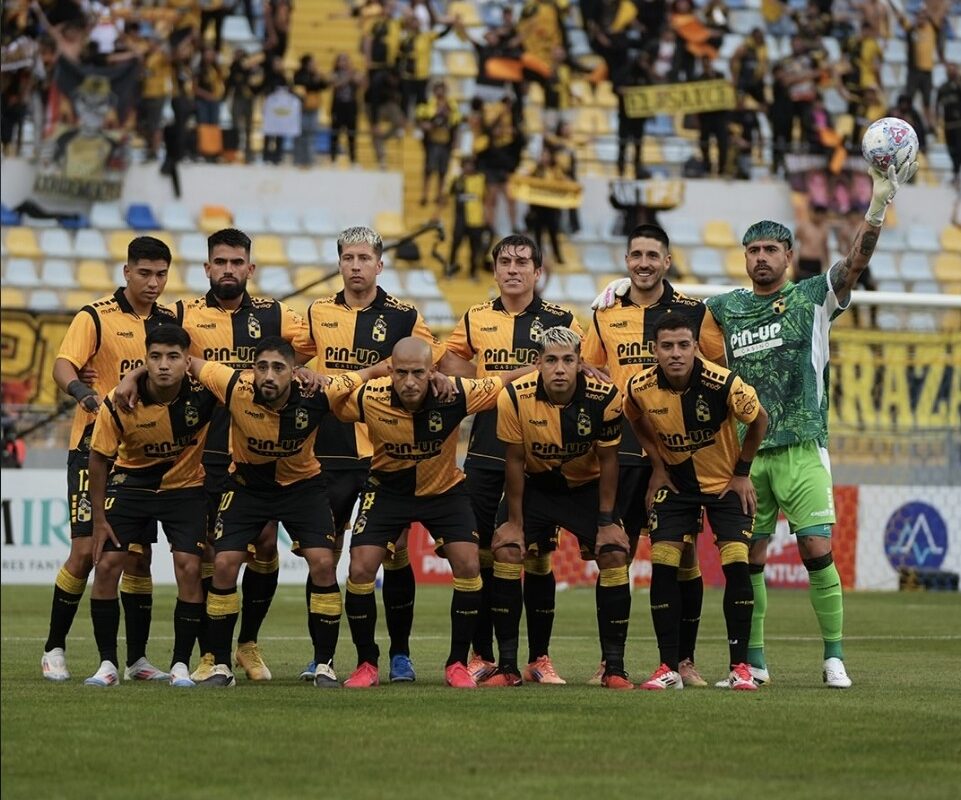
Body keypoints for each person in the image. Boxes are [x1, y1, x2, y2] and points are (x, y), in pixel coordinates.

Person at [592, 158, 917, 687]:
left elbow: (855, 263)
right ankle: (756, 662)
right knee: (751, 559)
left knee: (815, 547)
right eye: (754, 250)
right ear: (744, 257)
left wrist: (878, 205)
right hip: (743, 455)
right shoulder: (725, 308)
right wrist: (622, 291)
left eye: (771, 250)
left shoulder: (812, 297)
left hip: (803, 443)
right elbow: (668, 315)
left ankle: (834, 656)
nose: (762, 258)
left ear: (789, 256)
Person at [115, 227, 312, 683]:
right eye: (220, 263)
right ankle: (210, 652)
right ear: (207, 268)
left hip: (260, 450)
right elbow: (164, 351)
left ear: (250, 268)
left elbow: (311, 352)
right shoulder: (183, 312)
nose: (228, 270)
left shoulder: (278, 314)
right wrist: (135, 374)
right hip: (204, 452)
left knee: (264, 542)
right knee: (210, 550)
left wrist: (305, 375)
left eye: (236, 262)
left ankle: (248, 644)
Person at [291, 226, 447, 683]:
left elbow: (428, 361)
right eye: (348, 258)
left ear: (380, 264)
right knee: (325, 553)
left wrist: (363, 375)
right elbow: (293, 359)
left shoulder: (404, 315)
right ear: (338, 263)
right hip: (331, 453)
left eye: (364, 258)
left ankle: (399, 654)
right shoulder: (318, 312)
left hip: (387, 452)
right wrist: (302, 375)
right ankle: (323, 657)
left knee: (394, 552)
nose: (356, 266)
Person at [333, 338, 533, 688]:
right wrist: (369, 372)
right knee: (360, 568)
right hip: (387, 490)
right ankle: (367, 662)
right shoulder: (372, 395)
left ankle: (456, 662)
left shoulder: (456, 393)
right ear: (391, 371)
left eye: (419, 373)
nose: (410, 382)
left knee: (470, 563)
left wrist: (555, 365)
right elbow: (334, 399)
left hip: (444, 492)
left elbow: (506, 379)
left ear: (433, 372)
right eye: (402, 373)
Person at [581, 223, 725, 687]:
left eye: (652, 255)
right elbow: (588, 365)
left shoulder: (692, 312)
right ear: (627, 261)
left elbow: (717, 368)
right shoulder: (605, 312)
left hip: (677, 450)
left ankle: (684, 661)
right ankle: (612, 662)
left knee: (683, 558)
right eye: (636, 255)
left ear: (667, 261)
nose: (643, 263)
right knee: (613, 554)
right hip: (621, 449)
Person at [179, 337, 364, 687]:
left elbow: (372, 371)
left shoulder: (319, 393)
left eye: (278, 368)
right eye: (261, 366)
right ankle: (219, 664)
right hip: (247, 486)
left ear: (294, 373)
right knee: (223, 562)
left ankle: (324, 664)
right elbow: (184, 361)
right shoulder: (234, 384)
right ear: (252, 370)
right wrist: (132, 376)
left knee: (324, 562)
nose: (268, 374)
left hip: (302, 489)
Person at [440, 234, 584, 684]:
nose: (513, 268)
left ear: (538, 271)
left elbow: (581, 372)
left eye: (523, 261)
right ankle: (482, 655)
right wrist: (489, 382)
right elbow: (446, 360)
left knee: (537, 556)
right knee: (483, 552)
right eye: (505, 261)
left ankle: (539, 658)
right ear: (496, 269)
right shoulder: (476, 317)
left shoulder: (562, 321)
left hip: (543, 456)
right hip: (486, 452)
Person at [42, 236, 179, 682]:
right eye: (145, 273)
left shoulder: (171, 320)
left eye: (161, 274)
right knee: (86, 551)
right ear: (127, 271)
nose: (153, 282)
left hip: (145, 455)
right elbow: (64, 364)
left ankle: (137, 659)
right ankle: (54, 648)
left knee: (136, 558)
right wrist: (84, 393)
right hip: (93, 448)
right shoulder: (95, 316)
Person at [625, 315, 768, 691]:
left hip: (724, 484)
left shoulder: (724, 383)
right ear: (654, 350)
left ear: (695, 347)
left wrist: (742, 473)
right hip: (676, 484)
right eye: (667, 346)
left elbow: (759, 421)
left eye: (683, 345)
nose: (675, 354)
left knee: (737, 565)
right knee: (663, 564)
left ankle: (740, 669)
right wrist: (656, 464)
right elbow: (633, 415)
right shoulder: (640, 385)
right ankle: (668, 667)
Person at [490, 326, 633, 688]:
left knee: (615, 553)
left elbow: (610, 462)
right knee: (507, 551)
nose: (559, 368)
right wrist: (515, 523)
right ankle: (508, 666)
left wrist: (605, 521)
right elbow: (514, 461)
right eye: (551, 360)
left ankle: (613, 668)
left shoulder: (606, 397)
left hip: (585, 488)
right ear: (537, 363)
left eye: (568, 360)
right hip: (535, 486)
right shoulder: (513, 397)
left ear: (580, 363)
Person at [85, 325, 218, 688]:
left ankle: (179, 664)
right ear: (145, 359)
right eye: (155, 357)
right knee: (110, 563)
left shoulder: (205, 392)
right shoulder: (120, 399)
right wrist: (99, 519)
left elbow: (241, 382)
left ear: (186, 361)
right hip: (131, 486)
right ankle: (108, 664)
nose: (163, 365)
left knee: (189, 567)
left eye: (173, 357)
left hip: (185, 489)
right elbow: (98, 460)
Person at [936, 63, 961, 189]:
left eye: (954, 70)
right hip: (948, 125)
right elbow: (937, 106)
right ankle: (955, 175)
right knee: (951, 151)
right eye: (949, 70)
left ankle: (957, 175)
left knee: (958, 150)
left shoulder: (958, 86)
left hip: (959, 125)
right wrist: (936, 121)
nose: (951, 72)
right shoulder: (942, 89)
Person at [793, 203, 831, 281]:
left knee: (815, 287)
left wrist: (827, 264)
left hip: (817, 262)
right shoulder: (803, 226)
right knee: (801, 286)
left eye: (822, 215)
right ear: (813, 213)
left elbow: (825, 247)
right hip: (804, 260)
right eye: (818, 214)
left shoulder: (824, 228)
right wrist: (794, 262)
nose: (820, 217)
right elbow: (794, 244)